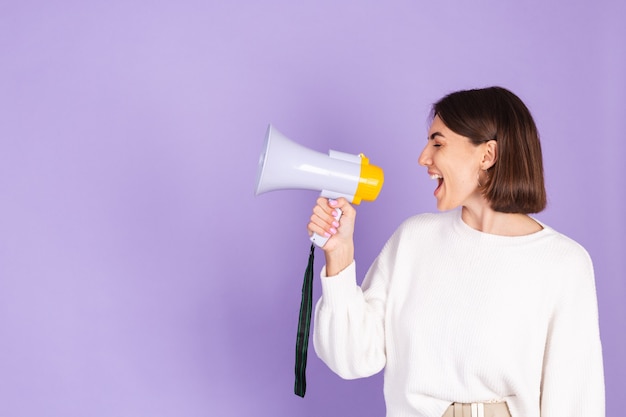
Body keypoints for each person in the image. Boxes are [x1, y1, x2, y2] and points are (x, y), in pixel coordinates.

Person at [307, 86, 605, 417]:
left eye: (438, 143)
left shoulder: (563, 263)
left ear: (487, 155)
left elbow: (576, 400)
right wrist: (339, 254)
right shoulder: (413, 240)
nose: (423, 157)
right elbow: (351, 358)